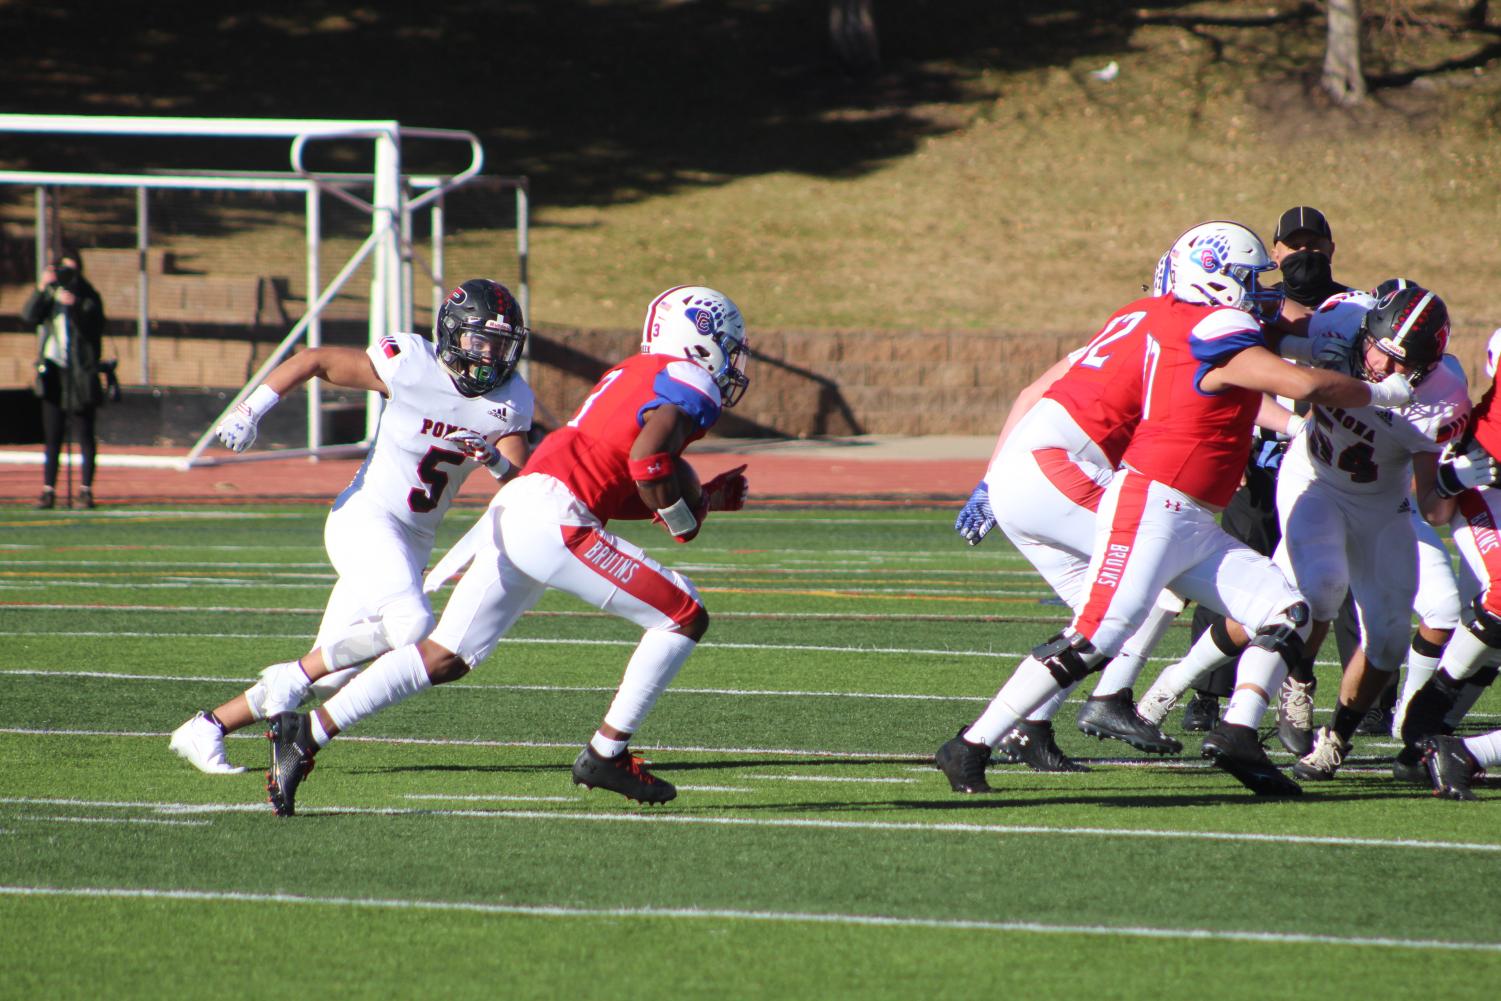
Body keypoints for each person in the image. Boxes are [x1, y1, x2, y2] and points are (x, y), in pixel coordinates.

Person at [936, 220, 1415, 799]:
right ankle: (973, 744)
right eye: (1248, 280)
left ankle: (1236, 734)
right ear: (1214, 282)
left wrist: (1348, 326)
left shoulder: (1159, 317)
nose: (1261, 292)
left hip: (1177, 515)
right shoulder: (1212, 324)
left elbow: (1281, 334)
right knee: (1101, 632)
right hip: (1140, 499)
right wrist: (1379, 379)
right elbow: (1294, 369)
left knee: (1286, 611)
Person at [260, 285, 753, 815]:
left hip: (525, 504)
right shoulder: (692, 379)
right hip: (553, 516)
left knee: (447, 655)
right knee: (683, 615)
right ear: (701, 338)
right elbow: (648, 462)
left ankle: (307, 733)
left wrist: (701, 501)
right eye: (728, 343)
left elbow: (616, 484)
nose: (731, 358)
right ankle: (607, 752)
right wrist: (684, 519)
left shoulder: (635, 372)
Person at [169, 278, 534, 774]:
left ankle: (206, 727)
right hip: (365, 518)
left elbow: (520, 482)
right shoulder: (410, 363)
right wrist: (251, 409)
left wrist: (493, 460)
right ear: (451, 333)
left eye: (500, 344)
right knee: (413, 626)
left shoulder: (510, 400)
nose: (490, 356)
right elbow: (313, 360)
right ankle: (289, 676)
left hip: (414, 541)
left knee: (331, 679)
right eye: (480, 340)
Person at [1176, 206, 1352, 734]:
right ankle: (1210, 693)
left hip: (1330, 465)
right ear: (1274, 254)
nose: (1305, 255)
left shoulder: (1354, 305)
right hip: (1259, 457)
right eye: (1293, 246)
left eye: (1315, 244)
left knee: (1339, 581)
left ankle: (1365, 696)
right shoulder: (1254, 302)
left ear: (1331, 247)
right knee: (1233, 567)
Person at [22, 249, 107, 510]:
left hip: (80, 372)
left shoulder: (88, 296)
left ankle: (85, 490)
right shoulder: (51, 295)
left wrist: (76, 306)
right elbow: (29, 316)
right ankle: (48, 489)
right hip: (55, 370)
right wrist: (42, 287)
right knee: (53, 433)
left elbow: (94, 326)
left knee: (84, 432)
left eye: (71, 271)